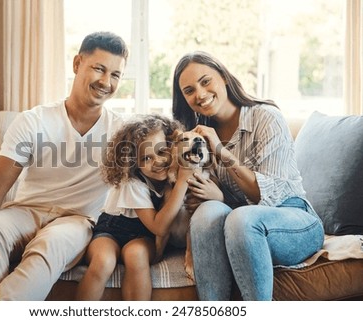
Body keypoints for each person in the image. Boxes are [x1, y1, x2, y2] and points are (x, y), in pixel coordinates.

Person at [0, 31, 129, 300]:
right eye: (99, 69)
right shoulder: (34, 120)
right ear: (77, 64)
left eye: (115, 74)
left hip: (77, 220)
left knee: (51, 243)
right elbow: (0, 180)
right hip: (26, 210)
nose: (106, 82)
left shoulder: (121, 131)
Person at [172, 51, 325, 301]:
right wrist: (216, 196)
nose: (199, 94)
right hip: (240, 224)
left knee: (241, 219)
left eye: (205, 81)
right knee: (208, 214)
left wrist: (220, 150)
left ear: (223, 76)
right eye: (189, 91)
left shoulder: (265, 116)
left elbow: (261, 195)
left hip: (293, 221)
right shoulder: (199, 136)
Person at [75, 114, 194, 300]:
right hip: (110, 232)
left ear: (173, 147)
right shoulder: (132, 182)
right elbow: (159, 227)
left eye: (162, 151)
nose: (157, 161)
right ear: (132, 162)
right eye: (146, 158)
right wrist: (182, 182)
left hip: (142, 237)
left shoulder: (171, 175)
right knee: (104, 261)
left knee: (136, 255)